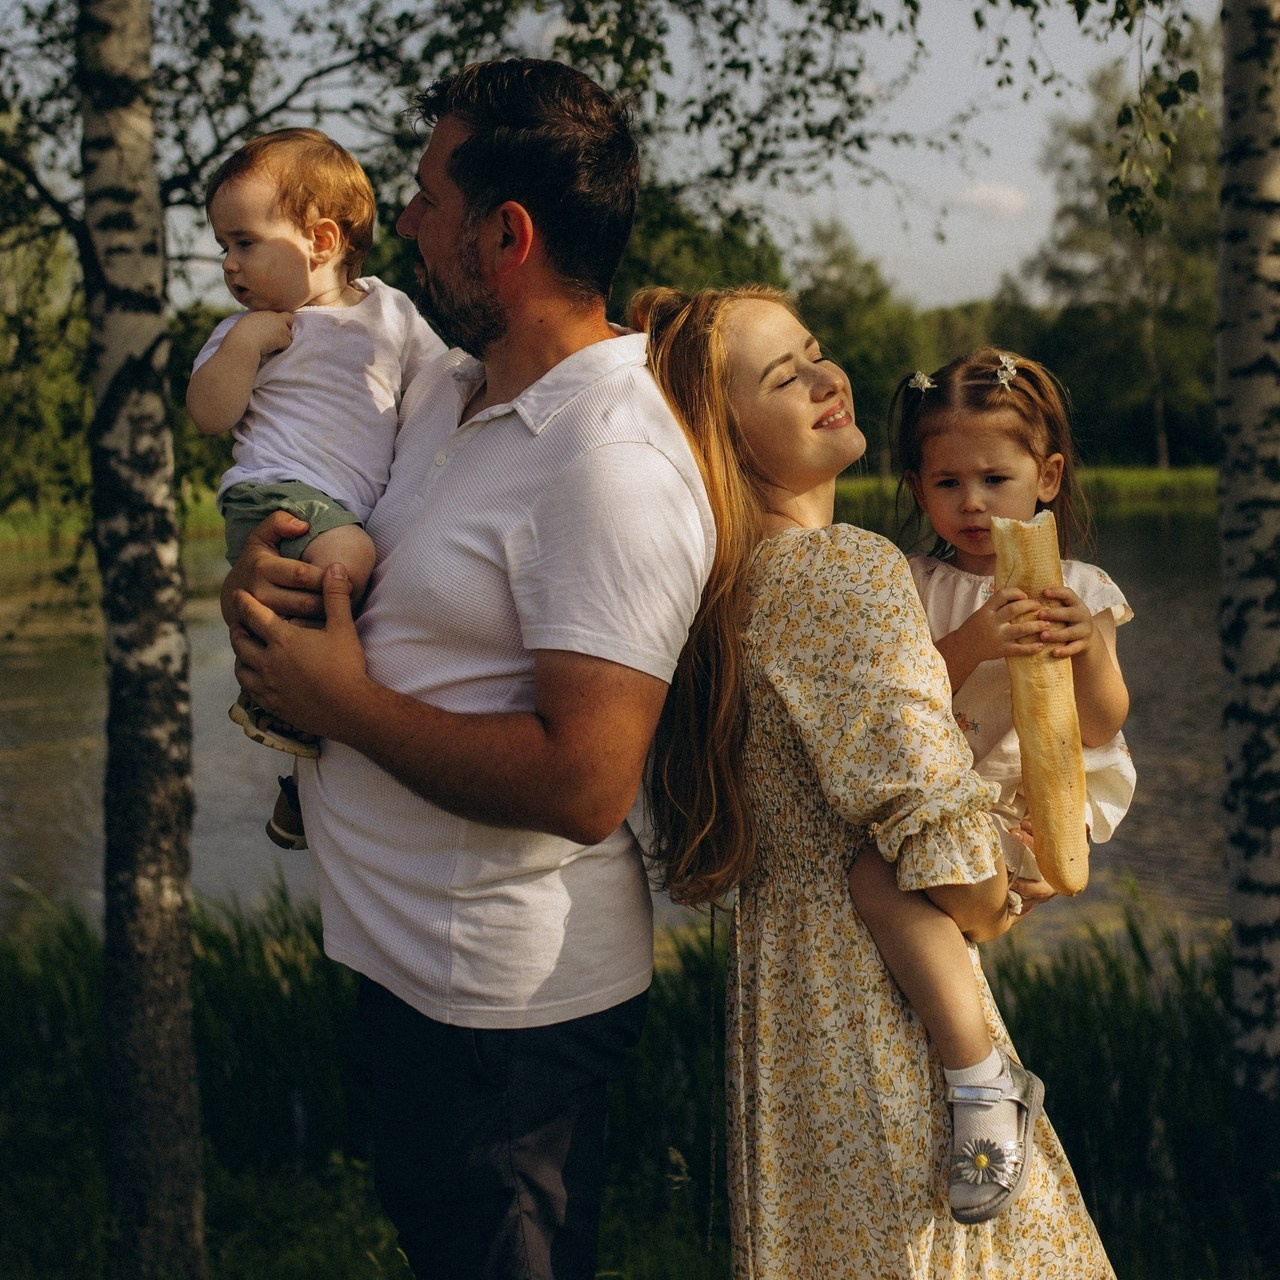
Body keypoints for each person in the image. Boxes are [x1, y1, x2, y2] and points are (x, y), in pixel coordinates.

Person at [221, 61, 715, 1280]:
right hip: (408, 980)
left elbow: (586, 780)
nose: (406, 219)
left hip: (505, 1023)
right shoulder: (448, 392)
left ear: (508, 234)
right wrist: (262, 573)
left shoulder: (608, 462)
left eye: (431, 198)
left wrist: (339, 704)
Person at [636, 284, 1116, 1277]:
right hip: (880, 1009)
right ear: (725, 430)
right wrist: (988, 895)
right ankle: (988, 1085)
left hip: (788, 1011)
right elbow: (932, 829)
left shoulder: (728, 587)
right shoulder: (842, 565)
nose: (826, 375)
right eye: (783, 374)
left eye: (814, 350)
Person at [843, 348, 1136, 1221]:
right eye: (946, 483)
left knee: (950, 895)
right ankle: (980, 1080)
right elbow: (901, 699)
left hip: (1034, 810)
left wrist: (1083, 646)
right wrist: (974, 642)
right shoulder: (912, 584)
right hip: (943, 804)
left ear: (1046, 478)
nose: (972, 504)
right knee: (870, 877)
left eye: (995, 478)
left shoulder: (1079, 588)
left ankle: (978, 1077)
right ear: (915, 486)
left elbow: (1105, 724)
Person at [187, 127, 445, 847]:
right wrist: (242, 345)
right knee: (350, 565)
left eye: (244, 242)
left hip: (337, 505)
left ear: (321, 240)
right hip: (273, 493)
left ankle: (296, 784)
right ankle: (273, 702)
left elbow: (446, 379)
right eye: (222, 248)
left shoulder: (389, 313)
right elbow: (210, 416)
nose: (229, 265)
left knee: (354, 617)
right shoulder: (249, 329)